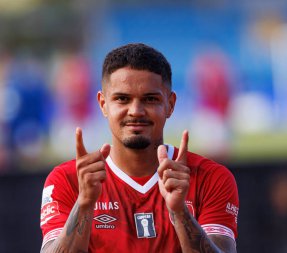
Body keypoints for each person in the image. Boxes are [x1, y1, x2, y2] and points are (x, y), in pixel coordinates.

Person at [39, 43, 239, 253]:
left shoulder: (212, 177)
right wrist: (84, 204)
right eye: (122, 99)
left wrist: (180, 213)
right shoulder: (67, 180)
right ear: (102, 104)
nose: (136, 111)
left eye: (150, 99)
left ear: (170, 105)